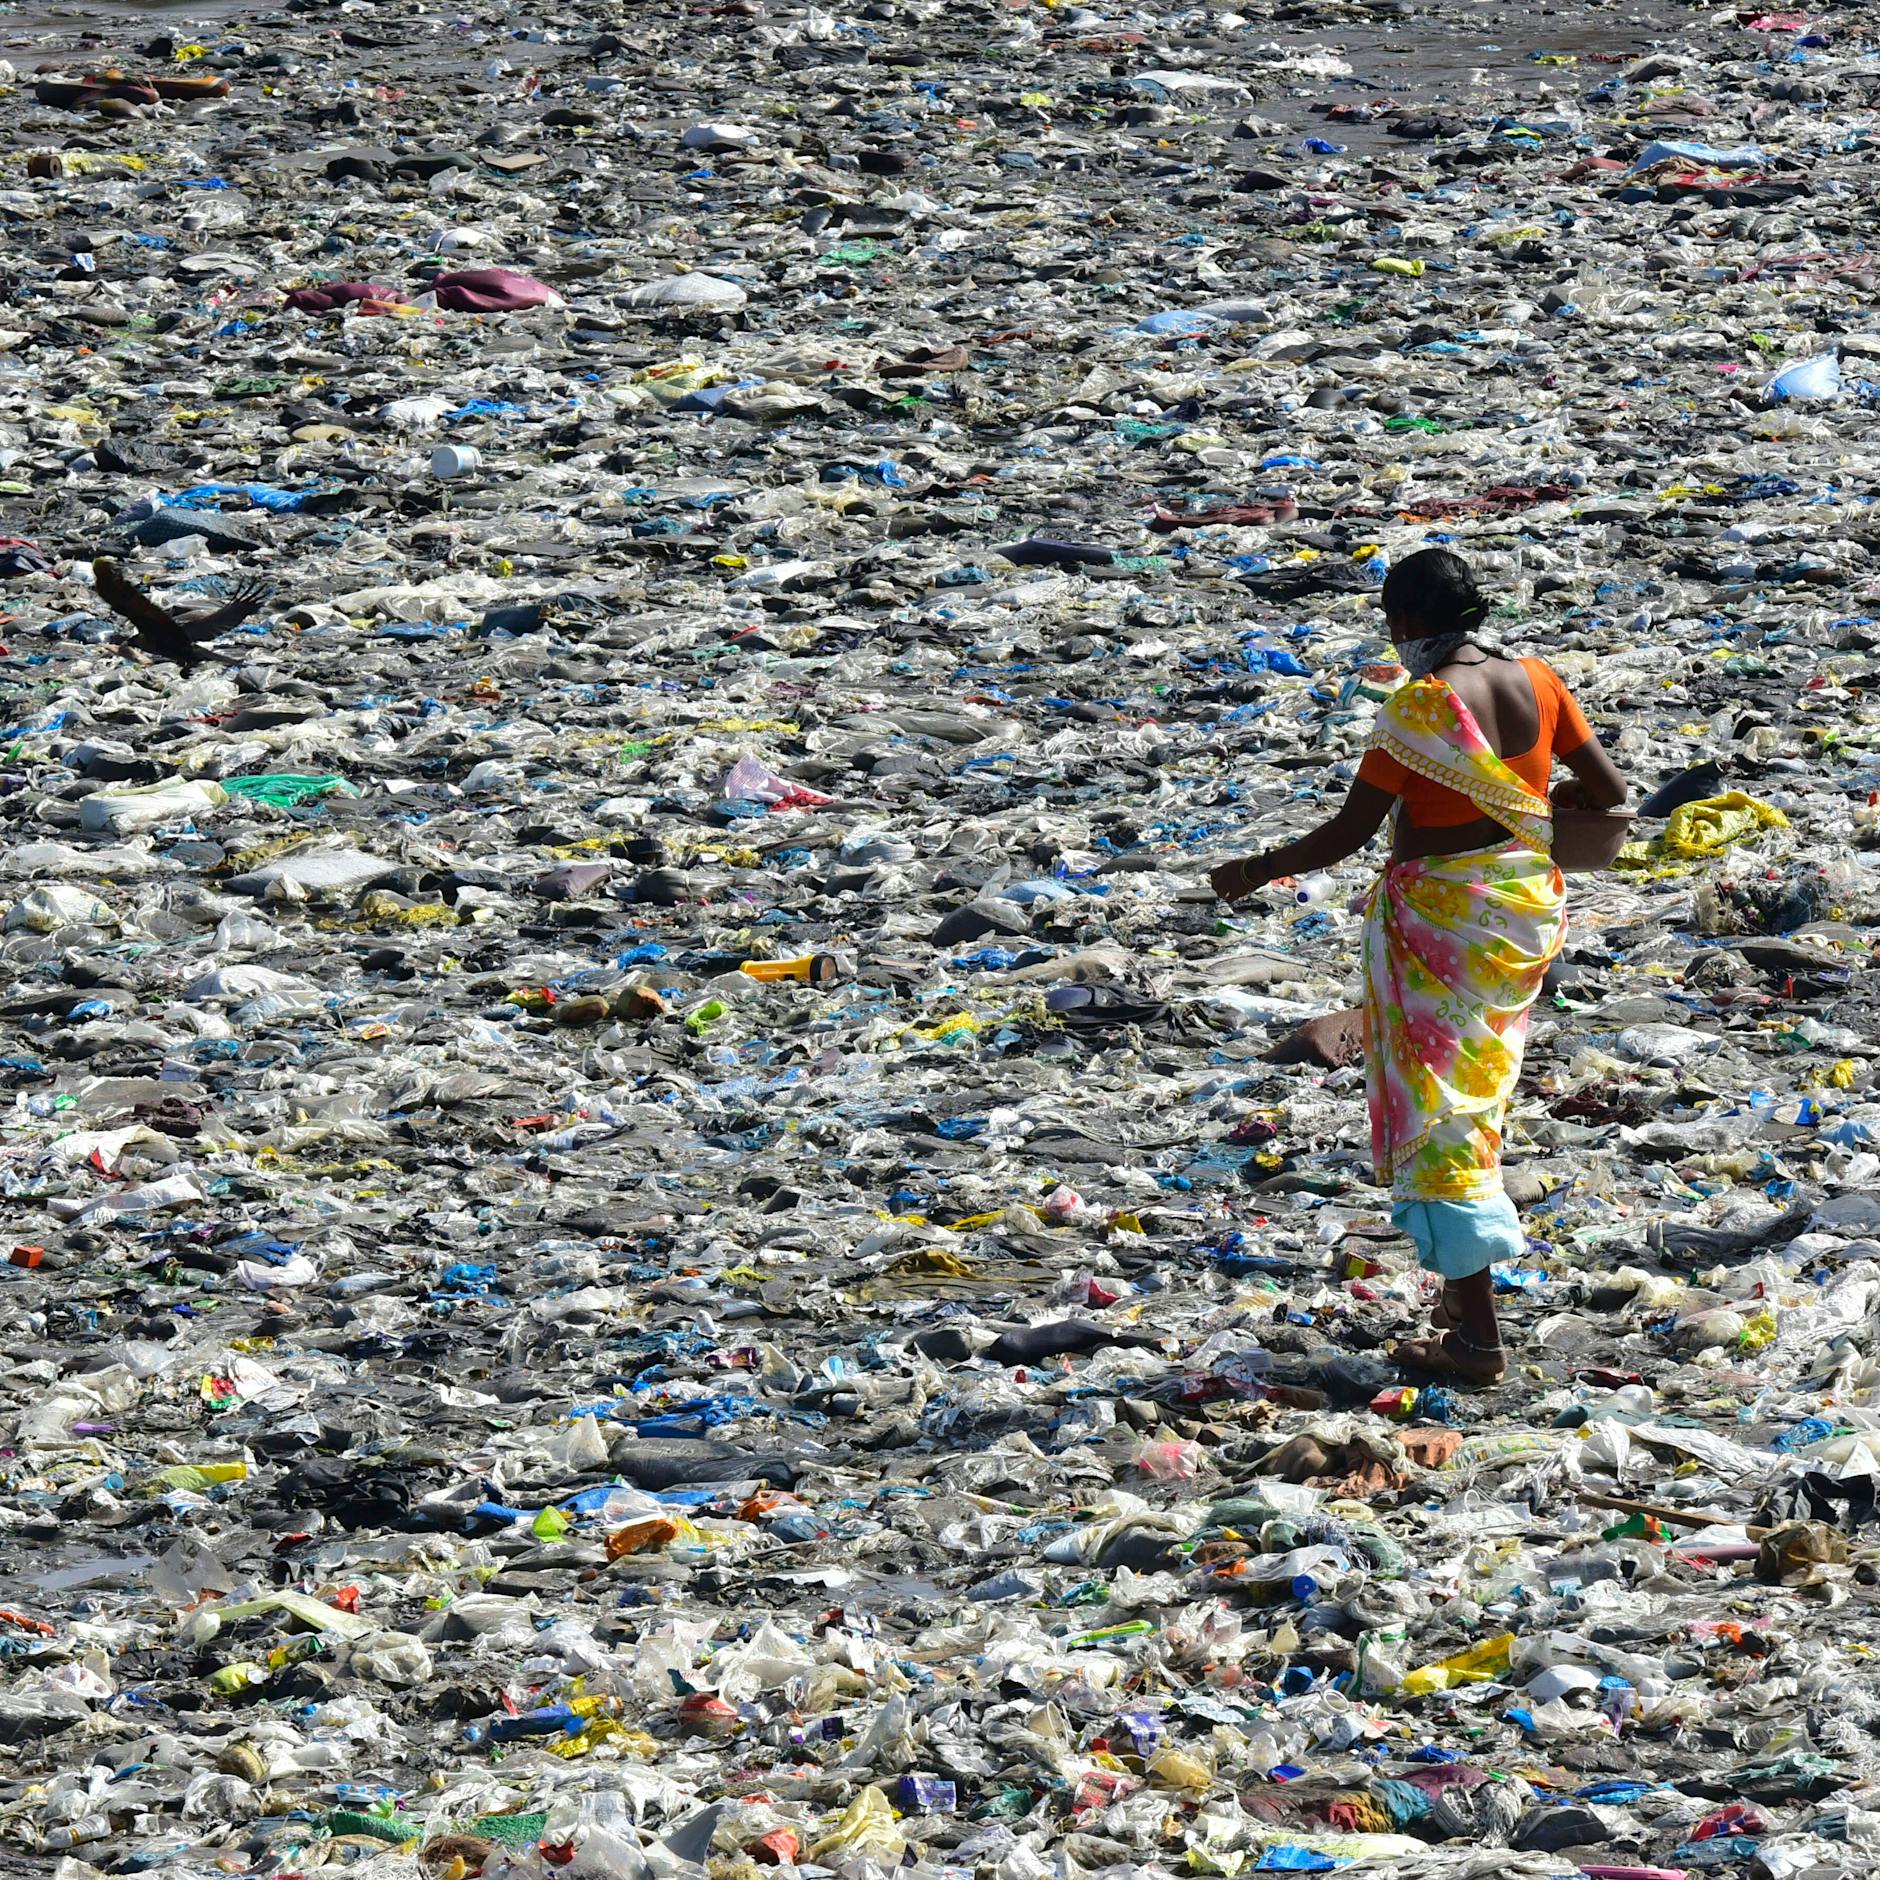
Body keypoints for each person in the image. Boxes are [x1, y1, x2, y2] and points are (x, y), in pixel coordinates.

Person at [1210, 548, 1626, 1382]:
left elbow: (1346, 835)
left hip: (1441, 926)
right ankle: (1456, 1304)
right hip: (1517, 917)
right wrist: (1534, 800)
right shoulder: (1538, 680)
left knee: (1443, 1114)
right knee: (1479, 1090)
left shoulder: (1419, 708)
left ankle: (1478, 1340)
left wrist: (1252, 870)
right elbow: (1610, 791)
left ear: (1406, 623)